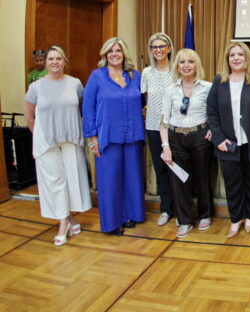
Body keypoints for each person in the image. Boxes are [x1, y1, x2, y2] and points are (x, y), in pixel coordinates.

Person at [24, 45, 91, 246]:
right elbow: (29, 115)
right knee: (55, 182)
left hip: (71, 138)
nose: (55, 62)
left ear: (64, 61)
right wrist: (40, 135)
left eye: (58, 58)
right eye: (51, 59)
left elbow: (84, 109)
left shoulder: (75, 84)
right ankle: (63, 222)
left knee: (72, 180)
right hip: (47, 142)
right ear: (46, 62)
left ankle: (70, 217)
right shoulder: (36, 87)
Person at [207, 41, 250, 238]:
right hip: (228, 144)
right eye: (232, 55)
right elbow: (211, 112)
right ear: (227, 59)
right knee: (233, 185)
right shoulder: (219, 81)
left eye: (240, 54)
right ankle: (235, 219)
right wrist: (218, 138)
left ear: (246, 57)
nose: (236, 58)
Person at [83, 37, 145, 235]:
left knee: (132, 178)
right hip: (107, 137)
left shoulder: (135, 75)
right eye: (110, 51)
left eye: (118, 50)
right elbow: (88, 108)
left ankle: (130, 215)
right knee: (109, 181)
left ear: (124, 54)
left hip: (133, 135)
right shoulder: (97, 76)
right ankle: (112, 223)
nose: (114, 54)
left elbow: (144, 101)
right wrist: (92, 138)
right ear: (105, 54)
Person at [160, 49, 214, 239]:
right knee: (179, 180)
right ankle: (185, 220)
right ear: (177, 66)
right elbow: (163, 120)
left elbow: (215, 113)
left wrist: (212, 129)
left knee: (202, 178)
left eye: (190, 62)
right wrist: (165, 146)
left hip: (200, 137)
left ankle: (205, 214)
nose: (186, 65)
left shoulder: (208, 87)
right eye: (182, 62)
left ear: (196, 65)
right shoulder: (170, 89)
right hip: (175, 138)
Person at [140, 33, 175, 226]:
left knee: (177, 168)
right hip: (153, 126)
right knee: (161, 168)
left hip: (175, 126)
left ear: (169, 48)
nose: (158, 50)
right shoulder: (147, 73)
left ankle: (181, 208)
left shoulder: (177, 70)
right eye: (155, 47)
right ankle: (166, 209)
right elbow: (146, 100)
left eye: (162, 46)